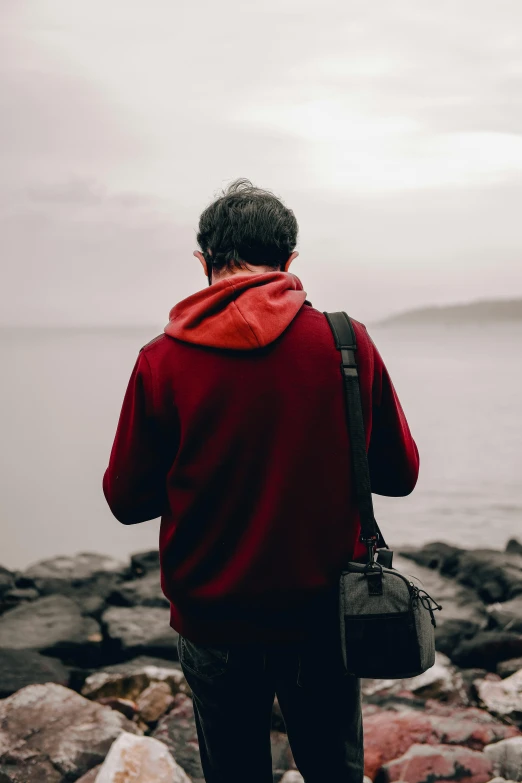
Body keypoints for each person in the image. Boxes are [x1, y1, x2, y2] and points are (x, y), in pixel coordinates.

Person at [102, 178, 420, 783]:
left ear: (203, 261)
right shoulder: (346, 342)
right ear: (291, 261)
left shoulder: (161, 360)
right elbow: (399, 477)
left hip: (212, 617)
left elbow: (126, 501)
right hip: (326, 613)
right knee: (334, 770)